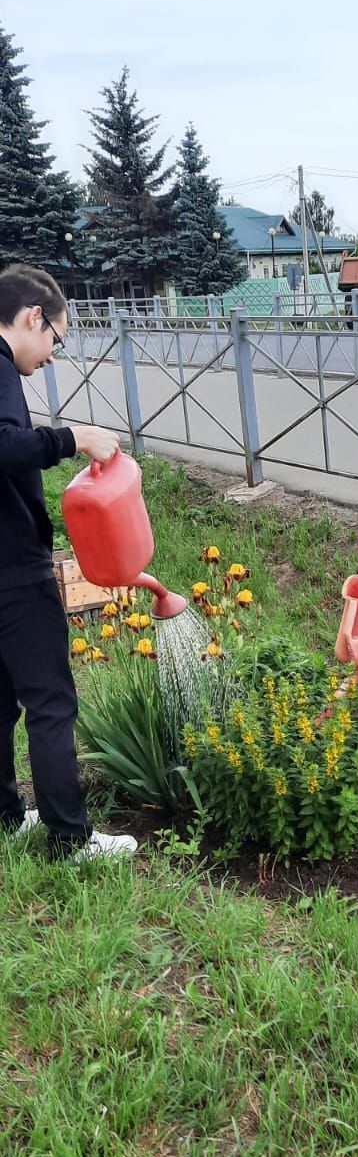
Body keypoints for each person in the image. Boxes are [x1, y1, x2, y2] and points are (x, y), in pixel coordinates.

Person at [0, 262, 138, 860]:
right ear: (34, 317)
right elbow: (5, 446)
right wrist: (74, 437)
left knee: (1, 700)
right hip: (11, 567)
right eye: (55, 337)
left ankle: (7, 816)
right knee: (51, 701)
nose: (52, 354)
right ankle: (69, 838)